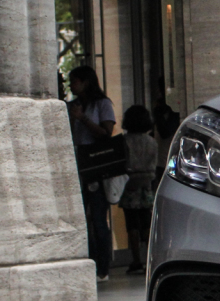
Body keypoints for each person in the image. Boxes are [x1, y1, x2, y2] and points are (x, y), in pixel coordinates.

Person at [67, 66, 116, 281]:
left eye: (75, 81)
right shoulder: (74, 105)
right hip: (78, 164)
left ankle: (102, 267)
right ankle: (89, 261)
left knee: (97, 217)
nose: (72, 86)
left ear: (86, 82)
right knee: (82, 219)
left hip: (96, 165)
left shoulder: (102, 104)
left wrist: (83, 119)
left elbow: (106, 134)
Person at [120, 105, 158, 275]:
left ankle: (136, 260)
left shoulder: (124, 141)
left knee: (132, 224)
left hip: (129, 184)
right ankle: (150, 258)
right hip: (146, 184)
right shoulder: (151, 141)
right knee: (146, 222)